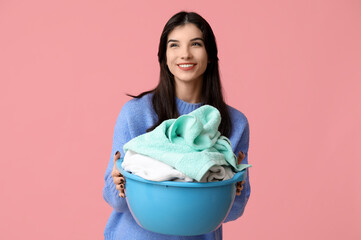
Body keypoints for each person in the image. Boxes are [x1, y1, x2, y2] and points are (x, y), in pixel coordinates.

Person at [103, 11, 251, 240]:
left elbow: (233, 210)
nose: (185, 54)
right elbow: (115, 200)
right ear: (163, 56)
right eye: (174, 45)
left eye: (196, 44)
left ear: (210, 54)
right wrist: (119, 183)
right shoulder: (136, 114)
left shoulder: (234, 123)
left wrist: (232, 189)